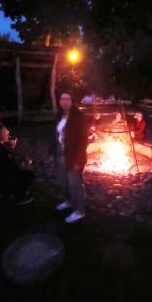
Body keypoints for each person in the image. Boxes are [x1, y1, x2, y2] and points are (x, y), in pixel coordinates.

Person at [55, 92, 89, 223]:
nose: (64, 101)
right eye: (62, 98)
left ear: (72, 101)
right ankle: (69, 201)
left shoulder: (79, 117)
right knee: (64, 181)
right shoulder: (59, 116)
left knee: (75, 184)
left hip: (75, 156)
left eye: (67, 98)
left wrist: (77, 160)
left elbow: (83, 141)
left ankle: (79, 211)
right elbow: (57, 135)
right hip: (61, 153)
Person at [0, 125, 34, 204]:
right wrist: (24, 165)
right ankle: (18, 198)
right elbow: (11, 168)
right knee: (29, 174)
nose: (8, 134)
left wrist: (9, 145)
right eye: (6, 134)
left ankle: (12, 191)